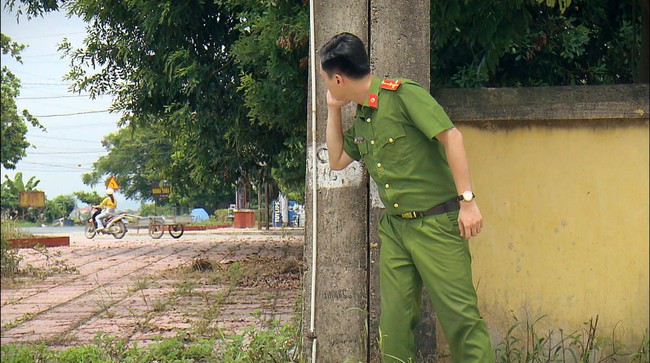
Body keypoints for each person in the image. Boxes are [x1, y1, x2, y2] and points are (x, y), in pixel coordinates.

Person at [319, 32, 493, 362]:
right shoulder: (364, 116)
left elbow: (452, 137)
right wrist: (332, 110)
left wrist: (467, 201)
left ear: (338, 78)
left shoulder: (402, 96)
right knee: (393, 326)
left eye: (326, 80)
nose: (328, 86)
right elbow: (337, 159)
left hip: (436, 224)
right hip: (396, 229)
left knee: (461, 321)